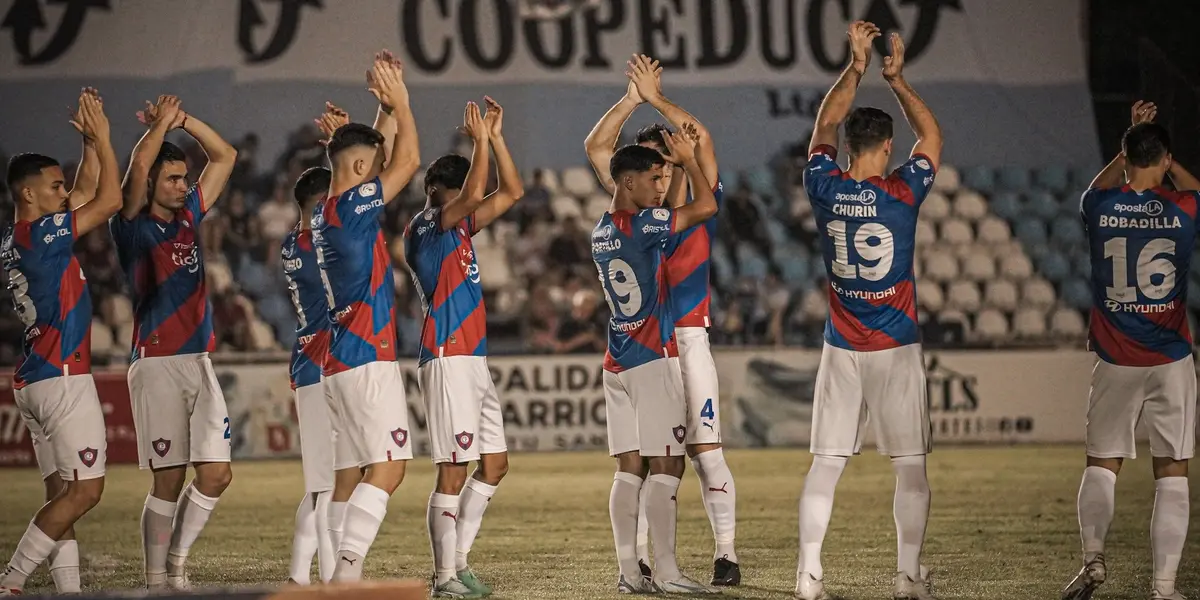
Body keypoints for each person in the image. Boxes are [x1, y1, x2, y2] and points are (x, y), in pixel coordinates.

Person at [795, 21, 942, 600]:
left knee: (826, 465)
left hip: (841, 344)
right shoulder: (905, 191)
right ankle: (907, 577)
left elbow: (824, 124)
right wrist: (897, 80)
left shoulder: (823, 184)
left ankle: (809, 577)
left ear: (847, 149)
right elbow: (931, 136)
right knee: (909, 468)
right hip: (896, 344)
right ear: (886, 148)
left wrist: (854, 68)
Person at [585, 54, 740, 586]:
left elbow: (698, 137)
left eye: (668, 163)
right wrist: (635, 100)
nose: (663, 173)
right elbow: (599, 150)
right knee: (660, 460)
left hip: (684, 337)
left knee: (704, 451)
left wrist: (654, 101)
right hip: (656, 347)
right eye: (655, 167)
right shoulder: (651, 214)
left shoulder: (665, 203)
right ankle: (652, 565)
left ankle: (725, 554)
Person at [1061, 101, 1197, 600]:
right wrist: (1166, 158)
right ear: (1163, 159)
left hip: (1116, 358)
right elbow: (1193, 187)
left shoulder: (1101, 207)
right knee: (1173, 471)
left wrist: (1131, 141)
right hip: (1171, 359)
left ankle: (1093, 559)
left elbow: (1093, 189)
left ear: (1124, 157)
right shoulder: (1183, 208)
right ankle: (1163, 588)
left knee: (1101, 463)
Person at [110, 93, 239, 591]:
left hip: (198, 360)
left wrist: (185, 121)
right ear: (150, 184)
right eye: (173, 178)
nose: (183, 186)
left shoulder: (189, 217)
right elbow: (138, 164)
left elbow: (225, 156)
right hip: (157, 361)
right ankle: (156, 579)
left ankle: (177, 563)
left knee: (216, 474)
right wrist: (159, 129)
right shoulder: (133, 229)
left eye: (185, 177)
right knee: (167, 479)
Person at [0, 88, 121, 597]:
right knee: (86, 491)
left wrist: (90, 146)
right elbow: (109, 200)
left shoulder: (18, 238)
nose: (62, 191)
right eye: (54, 187)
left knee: (61, 494)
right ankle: (11, 580)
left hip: (36, 378)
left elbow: (86, 190)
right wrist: (108, 139)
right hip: (63, 376)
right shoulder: (43, 236)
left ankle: (67, 591)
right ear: (29, 194)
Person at [403, 96, 525, 598]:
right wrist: (477, 142)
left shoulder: (460, 229)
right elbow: (477, 191)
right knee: (452, 470)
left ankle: (460, 563)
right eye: (457, 197)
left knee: (494, 464)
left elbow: (511, 190)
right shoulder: (426, 227)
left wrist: (494, 138)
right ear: (436, 193)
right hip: (447, 357)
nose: (468, 203)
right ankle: (443, 577)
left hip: (472, 359)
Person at [592, 130, 718, 595]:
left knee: (629, 469)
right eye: (652, 179)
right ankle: (667, 574)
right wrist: (688, 161)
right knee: (668, 467)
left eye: (663, 178)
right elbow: (707, 208)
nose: (659, 188)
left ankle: (629, 573)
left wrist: (673, 173)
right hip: (652, 357)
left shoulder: (602, 231)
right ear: (626, 183)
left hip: (617, 358)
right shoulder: (641, 225)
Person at [312, 53, 420, 582]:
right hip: (366, 358)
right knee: (389, 469)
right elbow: (407, 164)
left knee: (349, 474)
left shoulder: (327, 210)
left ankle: (337, 569)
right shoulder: (353, 210)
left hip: (339, 362)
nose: (381, 176)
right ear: (359, 173)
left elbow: (363, 158)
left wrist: (379, 115)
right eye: (371, 170)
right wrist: (400, 102)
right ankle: (348, 572)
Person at [282, 166, 335, 585]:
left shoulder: (293, 244)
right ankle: (333, 581)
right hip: (319, 366)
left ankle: (300, 578)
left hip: (313, 363)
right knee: (329, 484)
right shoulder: (313, 250)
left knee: (322, 482)